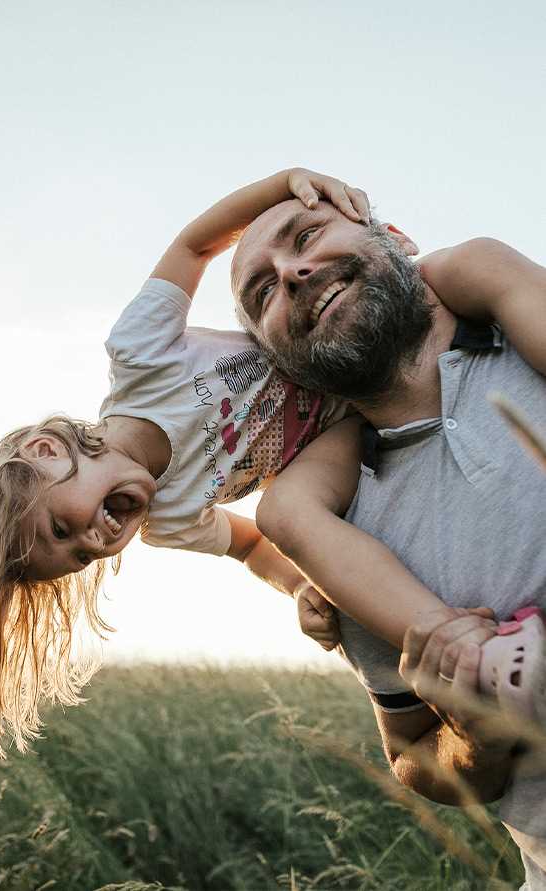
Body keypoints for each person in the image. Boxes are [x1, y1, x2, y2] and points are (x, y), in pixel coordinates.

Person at [0, 168, 508, 776]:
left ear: (48, 453)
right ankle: (455, 647)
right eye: (80, 558)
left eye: (61, 529)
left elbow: (195, 244)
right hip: (347, 426)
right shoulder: (170, 521)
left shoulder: (140, 355)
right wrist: (297, 587)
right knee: (284, 511)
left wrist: (284, 184)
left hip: (330, 341)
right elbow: (250, 544)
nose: (92, 544)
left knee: (452, 273)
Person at [231, 198, 546, 887]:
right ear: (282, 361)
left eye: (306, 236)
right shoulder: (338, 541)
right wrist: (473, 735)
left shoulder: (519, 314)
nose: (291, 272)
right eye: (263, 291)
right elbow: (411, 757)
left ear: (397, 239)